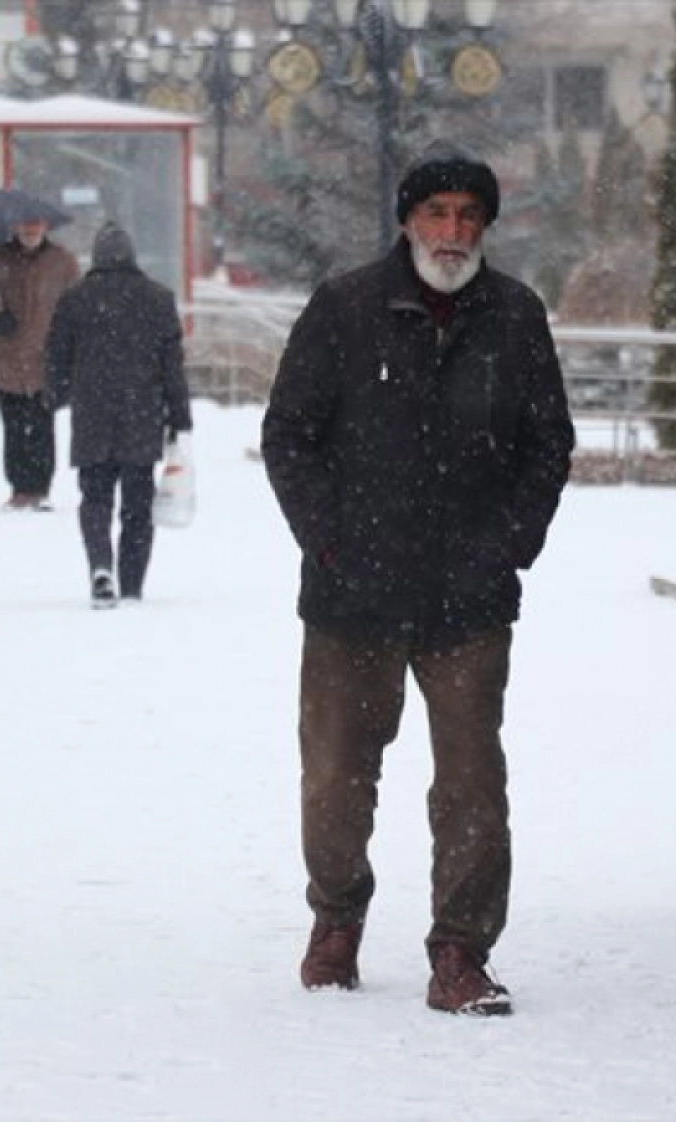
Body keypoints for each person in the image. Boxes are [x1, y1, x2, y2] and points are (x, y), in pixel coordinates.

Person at [261, 141, 575, 1016]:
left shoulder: (515, 317)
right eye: (436, 213)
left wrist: (512, 541)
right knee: (335, 776)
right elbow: (289, 434)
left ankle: (461, 948)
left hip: (470, 597)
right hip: (350, 593)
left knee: (473, 780)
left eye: (468, 216)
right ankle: (336, 920)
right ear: (407, 221)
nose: (452, 230)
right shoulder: (344, 309)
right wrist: (329, 542)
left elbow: (548, 442)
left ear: (485, 228)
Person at [45, 223, 191, 609]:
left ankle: (99, 565)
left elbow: (56, 356)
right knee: (138, 504)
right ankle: (131, 584)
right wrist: (180, 418)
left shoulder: (75, 299)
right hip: (141, 413)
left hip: (92, 412)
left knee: (95, 497)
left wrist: (57, 395)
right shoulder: (158, 299)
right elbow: (172, 366)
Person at [0, 217, 79, 511]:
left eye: (35, 228)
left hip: (47, 361)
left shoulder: (62, 261)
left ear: (45, 228)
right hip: (9, 358)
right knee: (14, 428)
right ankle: (19, 488)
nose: (30, 234)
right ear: (15, 228)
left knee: (43, 427)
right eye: (25, 228)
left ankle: (40, 488)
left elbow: (76, 304)